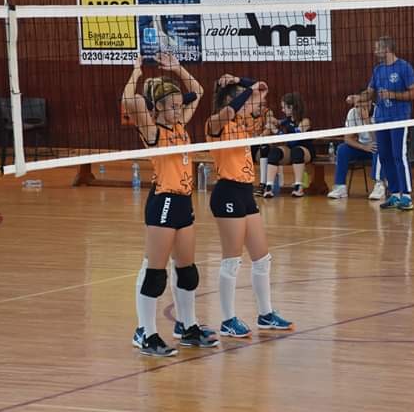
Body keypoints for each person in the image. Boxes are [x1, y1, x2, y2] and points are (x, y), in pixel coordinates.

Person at [122, 52, 219, 357]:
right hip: (162, 201)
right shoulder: (153, 131)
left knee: (188, 272)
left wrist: (178, 69)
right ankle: (147, 334)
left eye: (180, 105)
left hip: (183, 203)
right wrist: (136, 73)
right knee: (156, 274)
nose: (179, 110)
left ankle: (188, 328)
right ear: (158, 109)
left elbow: (198, 91)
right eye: (173, 106)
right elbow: (131, 102)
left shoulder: (180, 126)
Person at [206, 74, 294, 338]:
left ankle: (266, 315)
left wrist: (242, 81)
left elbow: (262, 88)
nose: (251, 106)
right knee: (232, 261)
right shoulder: (215, 124)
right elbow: (232, 109)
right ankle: (227, 320)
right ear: (231, 103)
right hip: (227, 192)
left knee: (262, 258)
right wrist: (247, 92)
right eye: (245, 103)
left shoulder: (242, 125)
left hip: (245, 192)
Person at [347, 36, 414, 210]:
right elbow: (370, 92)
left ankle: (406, 196)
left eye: (377, 48)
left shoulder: (404, 67)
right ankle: (394, 194)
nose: (375, 51)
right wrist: (358, 98)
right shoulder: (378, 70)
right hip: (381, 119)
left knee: (398, 155)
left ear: (386, 49)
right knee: (384, 156)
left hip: (399, 118)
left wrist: (393, 95)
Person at [327, 98, 385, 199]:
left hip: (377, 147)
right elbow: (347, 138)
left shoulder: (379, 111)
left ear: (370, 102)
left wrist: (367, 121)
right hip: (363, 148)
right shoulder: (352, 113)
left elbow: (378, 139)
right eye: (357, 105)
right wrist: (364, 147)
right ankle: (340, 187)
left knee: (379, 148)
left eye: (363, 105)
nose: (359, 109)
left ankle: (379, 185)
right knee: (342, 149)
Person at [260, 92, 314, 198]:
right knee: (274, 152)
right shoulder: (287, 120)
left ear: (291, 107)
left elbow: (294, 141)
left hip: (305, 151)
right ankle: (269, 187)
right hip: (291, 150)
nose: (282, 110)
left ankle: (298, 186)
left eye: (284, 107)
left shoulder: (305, 121)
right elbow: (277, 122)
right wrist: (271, 121)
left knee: (296, 151)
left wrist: (276, 131)